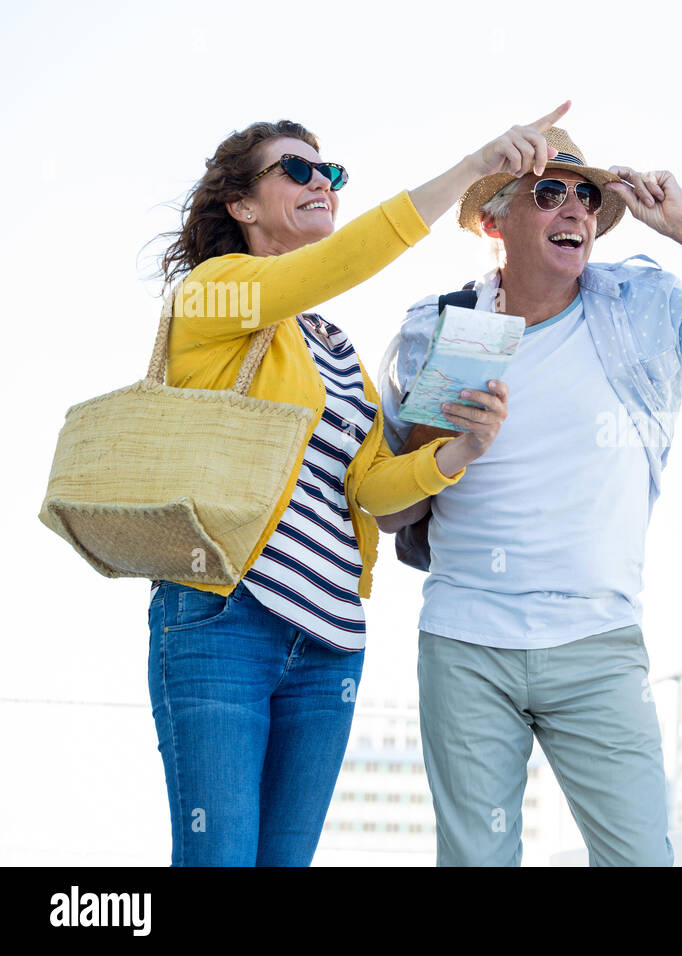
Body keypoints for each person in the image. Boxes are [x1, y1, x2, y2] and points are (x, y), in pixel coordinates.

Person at [377, 125, 682, 866]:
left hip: (598, 645)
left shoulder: (639, 307)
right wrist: (449, 438)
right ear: (495, 223)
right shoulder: (439, 327)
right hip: (467, 640)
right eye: (548, 192)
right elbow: (393, 509)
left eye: (585, 195)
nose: (574, 210)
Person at [145, 103, 571, 865]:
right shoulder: (210, 297)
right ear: (241, 205)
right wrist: (474, 169)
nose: (323, 183)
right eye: (297, 170)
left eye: (331, 173)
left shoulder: (334, 348)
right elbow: (342, 262)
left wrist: (461, 448)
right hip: (224, 619)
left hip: (329, 641)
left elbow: (372, 490)